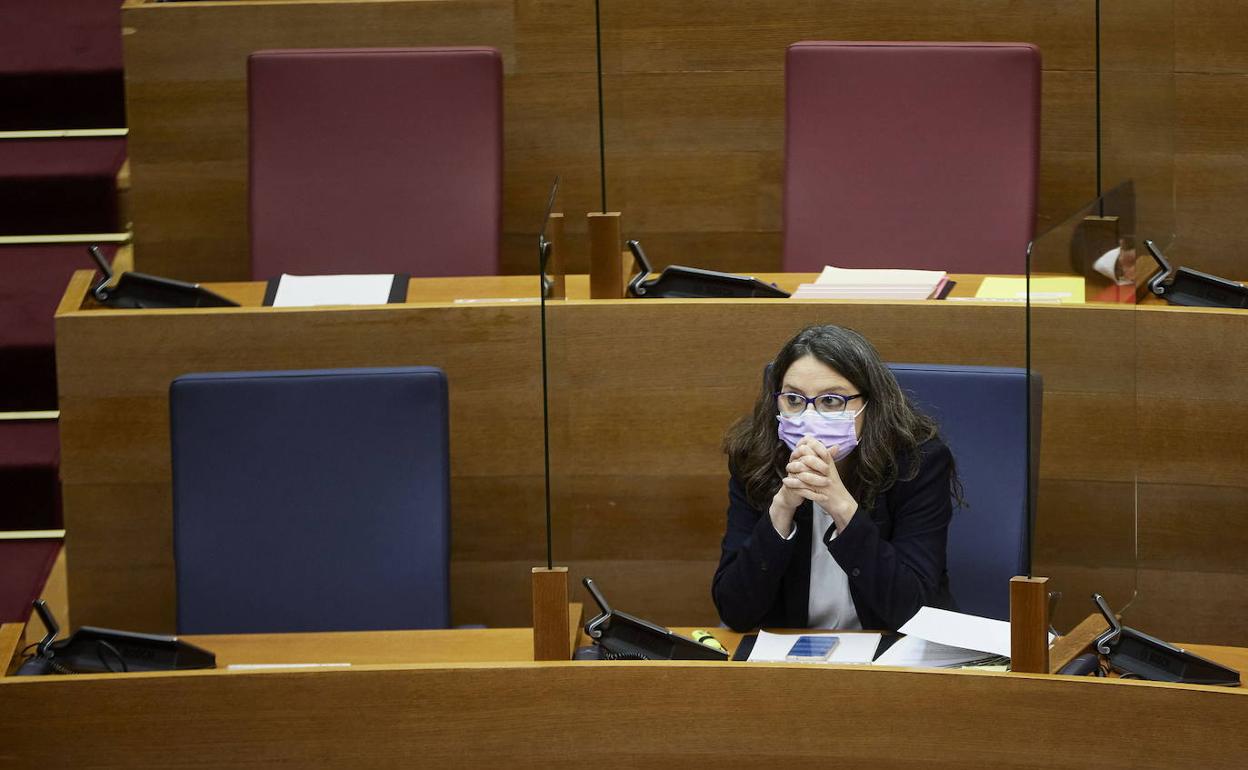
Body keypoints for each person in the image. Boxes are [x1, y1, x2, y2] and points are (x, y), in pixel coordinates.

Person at [712, 324, 961, 632]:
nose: (810, 416)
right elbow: (735, 611)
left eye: (831, 401)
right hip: (793, 659)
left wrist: (842, 507)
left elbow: (910, 610)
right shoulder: (756, 459)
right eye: (793, 399)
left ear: (870, 404)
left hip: (893, 655)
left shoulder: (916, 464)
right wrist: (781, 511)